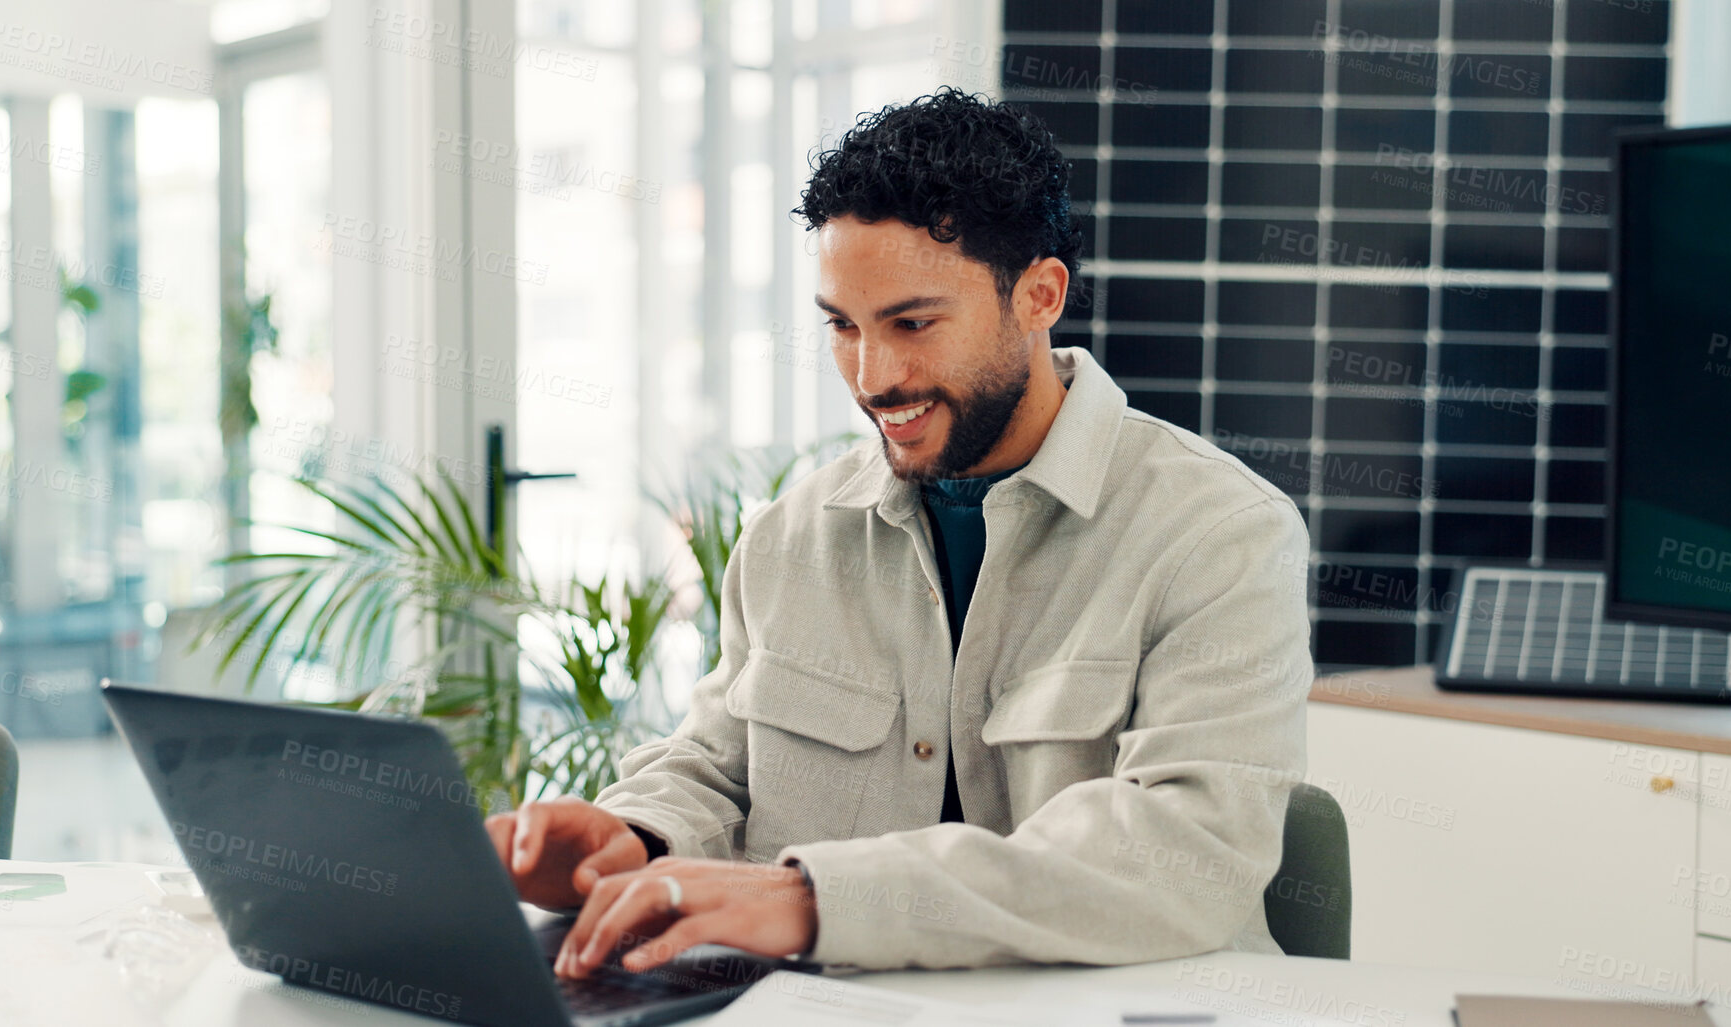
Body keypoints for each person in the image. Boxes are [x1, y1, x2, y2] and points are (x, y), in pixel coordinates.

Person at [486, 86, 1312, 977]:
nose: (873, 376)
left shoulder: (1219, 533)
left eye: (913, 323)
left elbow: (1184, 850)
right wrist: (632, 834)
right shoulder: (790, 536)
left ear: (1039, 296)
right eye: (842, 326)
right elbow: (718, 766)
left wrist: (817, 900)